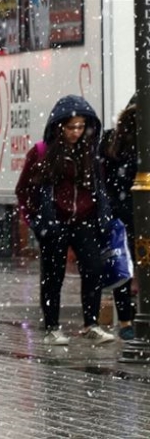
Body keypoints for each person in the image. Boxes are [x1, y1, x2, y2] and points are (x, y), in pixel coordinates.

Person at [15, 94, 115, 345]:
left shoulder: (89, 154)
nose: (77, 132)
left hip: (84, 221)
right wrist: (36, 220)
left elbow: (99, 187)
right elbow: (24, 189)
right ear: (59, 127)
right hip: (54, 222)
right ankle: (52, 326)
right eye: (72, 127)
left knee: (92, 270)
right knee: (53, 275)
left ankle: (91, 323)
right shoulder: (41, 152)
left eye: (81, 127)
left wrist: (100, 214)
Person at [100, 96, 138, 340]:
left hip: (123, 214)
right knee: (125, 267)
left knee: (122, 267)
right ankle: (127, 320)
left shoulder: (112, 140)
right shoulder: (115, 142)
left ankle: (127, 320)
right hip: (128, 214)